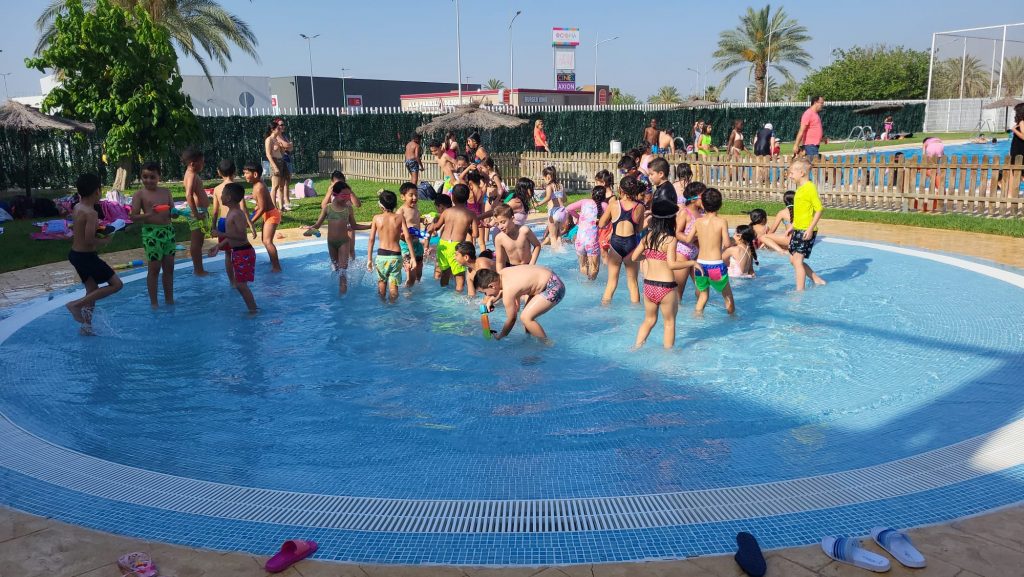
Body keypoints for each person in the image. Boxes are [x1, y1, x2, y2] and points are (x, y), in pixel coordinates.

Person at [631, 186, 700, 349]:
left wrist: (648, 256)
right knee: (669, 323)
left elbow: (634, 257)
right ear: (671, 220)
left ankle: (636, 347)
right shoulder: (670, 240)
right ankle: (668, 358)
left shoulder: (648, 237)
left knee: (649, 320)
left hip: (649, 286)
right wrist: (692, 263)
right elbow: (672, 264)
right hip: (666, 287)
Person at [65, 173, 124, 334]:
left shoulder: (78, 207)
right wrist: (106, 240)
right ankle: (75, 305)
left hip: (75, 255)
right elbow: (89, 239)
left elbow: (81, 230)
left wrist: (99, 229)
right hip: (86, 257)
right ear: (97, 191)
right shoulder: (91, 213)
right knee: (117, 285)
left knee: (92, 290)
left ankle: (86, 326)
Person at [474, 265, 564, 341]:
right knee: (527, 322)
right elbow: (504, 289)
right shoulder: (502, 273)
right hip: (550, 279)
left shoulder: (508, 291)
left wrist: (501, 336)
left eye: (485, 293)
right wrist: (492, 300)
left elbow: (512, 319)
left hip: (553, 287)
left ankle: (546, 344)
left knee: (526, 318)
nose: (486, 295)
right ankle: (529, 339)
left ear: (491, 286)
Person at [130, 161, 176, 309]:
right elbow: (133, 216)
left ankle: (169, 300)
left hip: (168, 232)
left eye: (152, 177)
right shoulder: (140, 194)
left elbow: (172, 211)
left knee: (169, 268)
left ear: (159, 177)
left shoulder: (166, 192)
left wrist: (176, 213)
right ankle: (154, 303)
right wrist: (150, 213)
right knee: (154, 268)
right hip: (151, 234)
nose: (148, 180)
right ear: (141, 176)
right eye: (145, 177)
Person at [207, 183, 258, 313]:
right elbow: (232, 236)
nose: (220, 196)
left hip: (244, 252)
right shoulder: (231, 212)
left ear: (228, 198)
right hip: (238, 252)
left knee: (241, 285)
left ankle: (253, 310)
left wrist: (221, 234)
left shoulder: (236, 214)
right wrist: (218, 246)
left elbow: (241, 236)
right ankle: (253, 309)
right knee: (240, 284)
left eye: (222, 194)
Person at [310, 181, 368, 292]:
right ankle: (339, 292)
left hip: (344, 243)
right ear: (335, 194)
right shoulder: (328, 208)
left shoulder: (348, 209)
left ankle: (343, 296)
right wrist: (310, 228)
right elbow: (317, 225)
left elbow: (354, 226)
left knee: (342, 272)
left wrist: (370, 226)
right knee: (336, 268)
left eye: (348, 195)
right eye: (344, 195)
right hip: (331, 243)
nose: (347, 198)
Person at [686, 188, 735, 315]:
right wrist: (733, 240)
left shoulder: (698, 221)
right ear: (720, 204)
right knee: (728, 297)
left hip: (700, 265)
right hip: (715, 266)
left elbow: (688, 239)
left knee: (703, 296)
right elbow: (727, 244)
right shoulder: (722, 222)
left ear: (703, 204)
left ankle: (697, 318)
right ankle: (733, 320)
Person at [599, 175, 646, 304]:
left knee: (611, 282)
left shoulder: (614, 205)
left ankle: (604, 307)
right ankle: (635, 311)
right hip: (631, 245)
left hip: (616, 245)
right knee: (633, 283)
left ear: (621, 189)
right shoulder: (640, 207)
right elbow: (639, 229)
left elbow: (601, 224)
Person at [210, 160, 257, 287]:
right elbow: (244, 208)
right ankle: (240, 280)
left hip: (223, 222)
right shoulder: (235, 188)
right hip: (235, 222)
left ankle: (233, 282)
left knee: (228, 254)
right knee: (237, 248)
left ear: (219, 172)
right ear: (234, 171)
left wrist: (213, 227)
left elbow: (215, 211)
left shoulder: (217, 189)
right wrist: (251, 224)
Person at [367, 189, 417, 303]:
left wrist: (369, 259)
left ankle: (383, 304)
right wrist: (413, 257)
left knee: (382, 284)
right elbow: (407, 237)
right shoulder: (400, 218)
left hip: (382, 256)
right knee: (393, 286)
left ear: (381, 205)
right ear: (395, 204)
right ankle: (393, 305)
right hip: (396, 256)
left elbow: (371, 240)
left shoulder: (376, 218)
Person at [428, 183, 477, 292]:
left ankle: (442, 292)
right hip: (456, 247)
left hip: (443, 244)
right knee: (459, 277)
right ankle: (458, 296)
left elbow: (437, 227)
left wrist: (431, 226)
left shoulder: (446, 212)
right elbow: (475, 235)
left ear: (452, 197)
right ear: (467, 197)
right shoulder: (471, 214)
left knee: (445, 272)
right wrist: (467, 229)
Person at [787, 158, 827, 291]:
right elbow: (801, 211)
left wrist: (810, 229)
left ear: (802, 173)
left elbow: (819, 209)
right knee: (793, 260)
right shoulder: (800, 188)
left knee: (797, 261)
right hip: (798, 228)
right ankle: (817, 280)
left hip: (806, 230)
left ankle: (800, 291)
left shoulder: (810, 188)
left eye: (792, 173)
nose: (790, 176)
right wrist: (793, 225)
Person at [243, 162, 282, 272]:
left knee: (267, 241)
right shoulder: (257, 184)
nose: (244, 175)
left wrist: (251, 222)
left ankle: (276, 267)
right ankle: (273, 261)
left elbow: (263, 208)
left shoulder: (259, 187)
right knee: (265, 240)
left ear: (255, 174)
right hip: (268, 214)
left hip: (272, 215)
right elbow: (261, 204)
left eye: (246, 173)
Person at [318, 171, 362, 259]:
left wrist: (350, 192)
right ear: (331, 183)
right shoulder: (332, 193)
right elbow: (323, 206)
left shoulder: (346, 192)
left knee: (351, 249)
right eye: (336, 184)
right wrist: (329, 192)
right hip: (336, 228)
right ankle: (337, 265)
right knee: (336, 250)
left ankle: (353, 265)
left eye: (341, 183)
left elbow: (357, 204)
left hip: (348, 225)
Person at [180, 148, 210, 276]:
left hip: (199, 210)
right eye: (202, 162)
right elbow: (188, 195)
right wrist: (196, 214)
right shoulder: (191, 175)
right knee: (197, 243)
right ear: (193, 163)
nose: (203, 164)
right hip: (197, 211)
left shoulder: (191, 174)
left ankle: (199, 269)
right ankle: (198, 270)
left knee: (199, 242)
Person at [565, 186, 606, 281]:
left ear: (592, 194)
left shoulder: (584, 202)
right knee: (594, 268)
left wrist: (578, 216)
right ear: (603, 196)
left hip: (579, 240)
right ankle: (590, 284)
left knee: (583, 266)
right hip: (592, 242)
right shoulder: (604, 205)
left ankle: (584, 283)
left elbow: (568, 208)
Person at [674, 181, 705, 298]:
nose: (706, 199)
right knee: (678, 292)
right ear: (693, 199)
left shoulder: (701, 212)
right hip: (683, 254)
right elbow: (677, 232)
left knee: (702, 289)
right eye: (703, 196)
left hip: (696, 254)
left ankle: (699, 308)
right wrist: (688, 238)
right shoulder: (684, 212)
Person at [493, 204, 541, 270]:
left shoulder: (524, 231)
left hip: (528, 265)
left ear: (512, 218)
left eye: (503, 222)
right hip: (511, 268)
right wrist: (500, 275)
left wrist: (531, 264)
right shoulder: (499, 238)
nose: (500, 226)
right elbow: (500, 262)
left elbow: (537, 245)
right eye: (497, 224)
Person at [397, 182, 426, 286]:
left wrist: (423, 220)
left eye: (416, 195)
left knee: (419, 274)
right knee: (411, 276)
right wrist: (402, 234)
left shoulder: (415, 208)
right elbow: (396, 229)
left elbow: (414, 220)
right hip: (406, 246)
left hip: (417, 244)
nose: (414, 198)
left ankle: (416, 291)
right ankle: (407, 292)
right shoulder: (401, 212)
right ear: (403, 197)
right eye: (411, 195)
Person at [264, 118, 293, 211]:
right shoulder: (269, 140)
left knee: (281, 186)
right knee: (275, 186)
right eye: (278, 128)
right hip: (275, 162)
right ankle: (274, 208)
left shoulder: (277, 140)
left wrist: (282, 147)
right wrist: (274, 166)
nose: (280, 129)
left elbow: (282, 153)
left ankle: (281, 207)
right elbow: (268, 154)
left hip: (282, 162)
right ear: (272, 130)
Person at [536, 165, 567, 246]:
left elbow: (548, 197)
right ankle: (562, 250)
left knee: (553, 237)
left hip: (554, 212)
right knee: (559, 236)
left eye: (543, 178)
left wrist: (538, 204)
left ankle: (555, 252)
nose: (544, 179)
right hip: (563, 212)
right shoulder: (560, 185)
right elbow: (565, 199)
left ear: (548, 177)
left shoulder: (549, 186)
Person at [794, 95, 825, 161]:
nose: (823, 105)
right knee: (814, 164)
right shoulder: (808, 114)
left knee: (814, 164)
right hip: (810, 145)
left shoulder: (815, 114)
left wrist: (823, 138)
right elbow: (801, 130)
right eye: (821, 103)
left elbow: (815, 129)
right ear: (815, 102)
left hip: (814, 145)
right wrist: (796, 145)